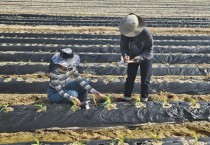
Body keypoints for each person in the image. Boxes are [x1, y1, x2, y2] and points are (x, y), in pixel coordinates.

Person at [119, 13, 153, 102]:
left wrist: (139, 57)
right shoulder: (125, 32)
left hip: (146, 57)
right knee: (130, 78)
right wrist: (125, 56)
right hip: (132, 57)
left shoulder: (146, 32)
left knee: (145, 79)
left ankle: (144, 99)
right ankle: (127, 98)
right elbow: (124, 47)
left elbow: (149, 49)